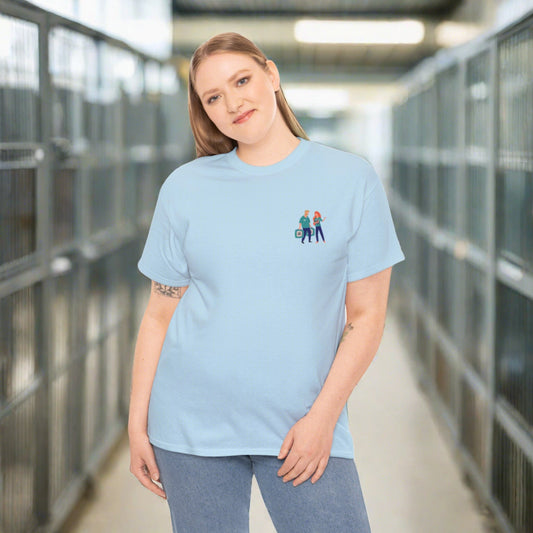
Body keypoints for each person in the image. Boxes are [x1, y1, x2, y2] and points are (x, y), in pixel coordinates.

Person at [128, 31, 405, 533]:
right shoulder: (185, 188)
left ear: (271, 75)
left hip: (303, 426)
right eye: (213, 97)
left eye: (242, 80)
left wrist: (323, 418)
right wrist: (137, 424)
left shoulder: (349, 179)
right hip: (190, 429)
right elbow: (158, 315)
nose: (232, 102)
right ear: (204, 109)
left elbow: (366, 318)